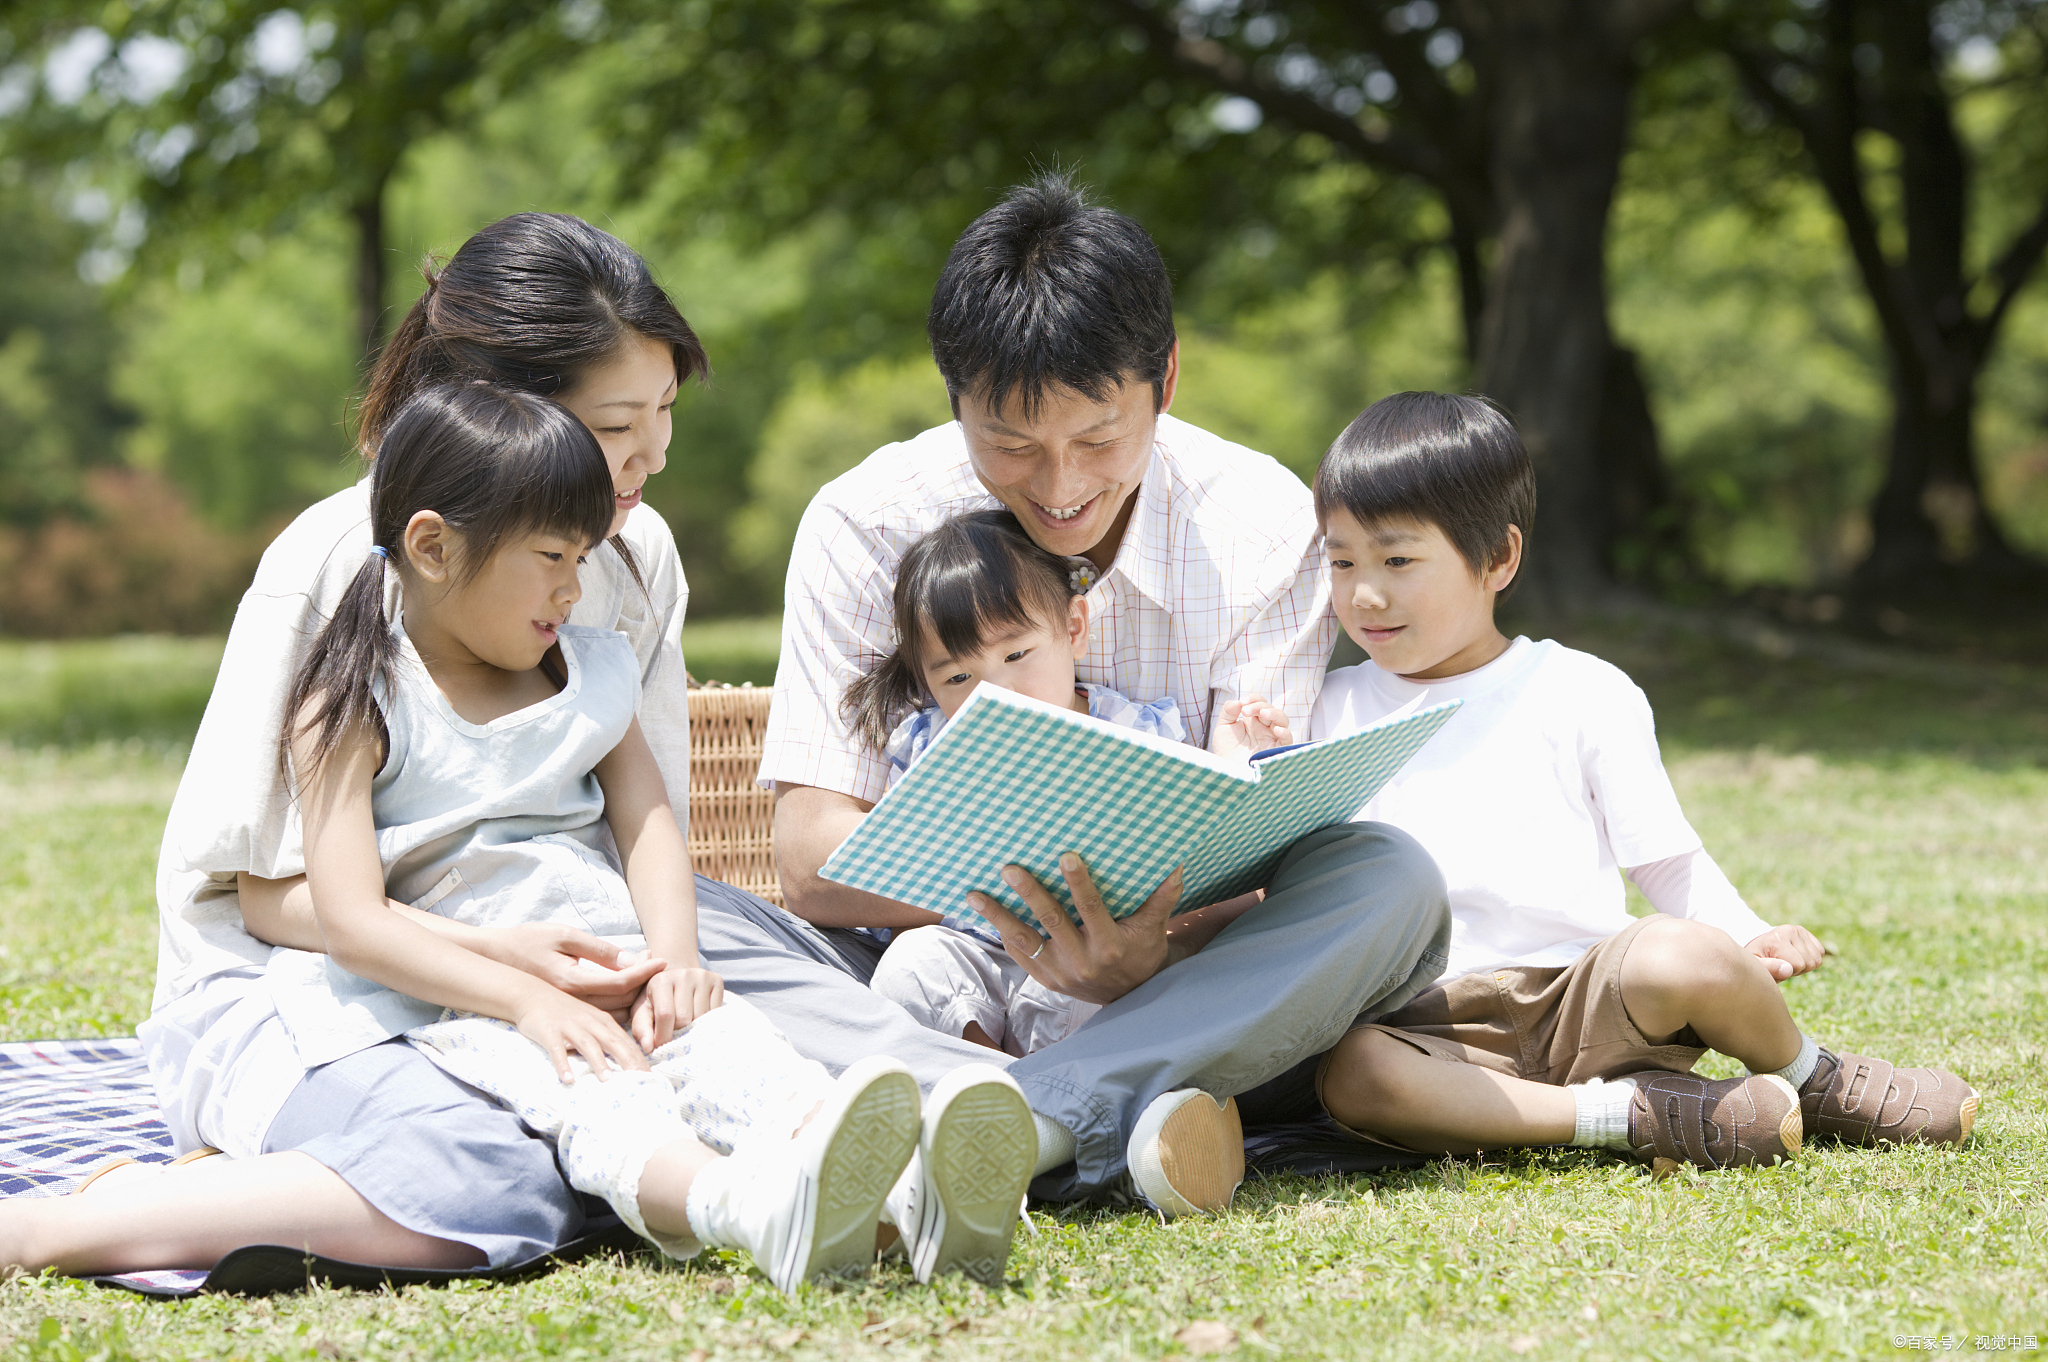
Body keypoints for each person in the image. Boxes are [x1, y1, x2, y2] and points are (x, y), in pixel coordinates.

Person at [2, 213, 1031, 1287]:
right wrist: (516, 972)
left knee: (736, 996)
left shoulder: (629, 554)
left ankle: (930, 1136)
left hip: (574, 936)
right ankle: (111, 1215)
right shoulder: (338, 569)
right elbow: (278, 902)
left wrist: (659, 960)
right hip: (313, 982)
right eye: (617, 423)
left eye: (667, 411)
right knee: (508, 1175)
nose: (653, 457)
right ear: (496, 416)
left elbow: (643, 828)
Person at [762, 172, 1453, 1217]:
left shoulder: (1261, 523)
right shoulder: (864, 524)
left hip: (1181, 970)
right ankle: (1084, 1116)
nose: (1056, 486)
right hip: (930, 969)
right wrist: (1042, 913)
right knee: (708, 930)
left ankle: (1017, 1124)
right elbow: (813, 862)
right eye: (1007, 442)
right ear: (951, 395)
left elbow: (1248, 843)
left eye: (1095, 438)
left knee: (1386, 878)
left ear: (1164, 379)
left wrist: (1147, 950)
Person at [275, 378, 1016, 1293]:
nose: (573, 587)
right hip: (463, 997)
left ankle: (914, 1202)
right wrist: (525, 1001)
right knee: (607, 1101)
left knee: (748, 1061)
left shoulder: (589, 671)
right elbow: (352, 921)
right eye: (552, 555)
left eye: (582, 557)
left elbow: (651, 821)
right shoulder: (352, 699)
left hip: (624, 960)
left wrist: (674, 959)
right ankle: (751, 1211)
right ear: (432, 546)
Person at [1283, 391, 1979, 1167]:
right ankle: (1632, 1116)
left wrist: (1748, 934)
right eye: (1341, 561)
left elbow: (1665, 859)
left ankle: (1810, 1078)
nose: (1364, 593)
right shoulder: (1324, 705)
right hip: (1427, 1027)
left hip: (1591, 995)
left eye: (1397, 560)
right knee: (1354, 1073)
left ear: (1498, 559)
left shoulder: (1580, 689)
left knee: (1692, 952)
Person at [849, 509, 1294, 1059]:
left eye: (1016, 655)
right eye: (958, 676)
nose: (998, 691)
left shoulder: (1131, 730)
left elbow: (1198, 844)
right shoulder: (925, 747)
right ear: (927, 682)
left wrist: (1234, 760)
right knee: (909, 967)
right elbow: (900, 872)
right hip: (976, 954)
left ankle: (1047, 1105)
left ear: (1074, 629)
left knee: (1104, 993)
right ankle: (990, 1087)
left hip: (1090, 958)